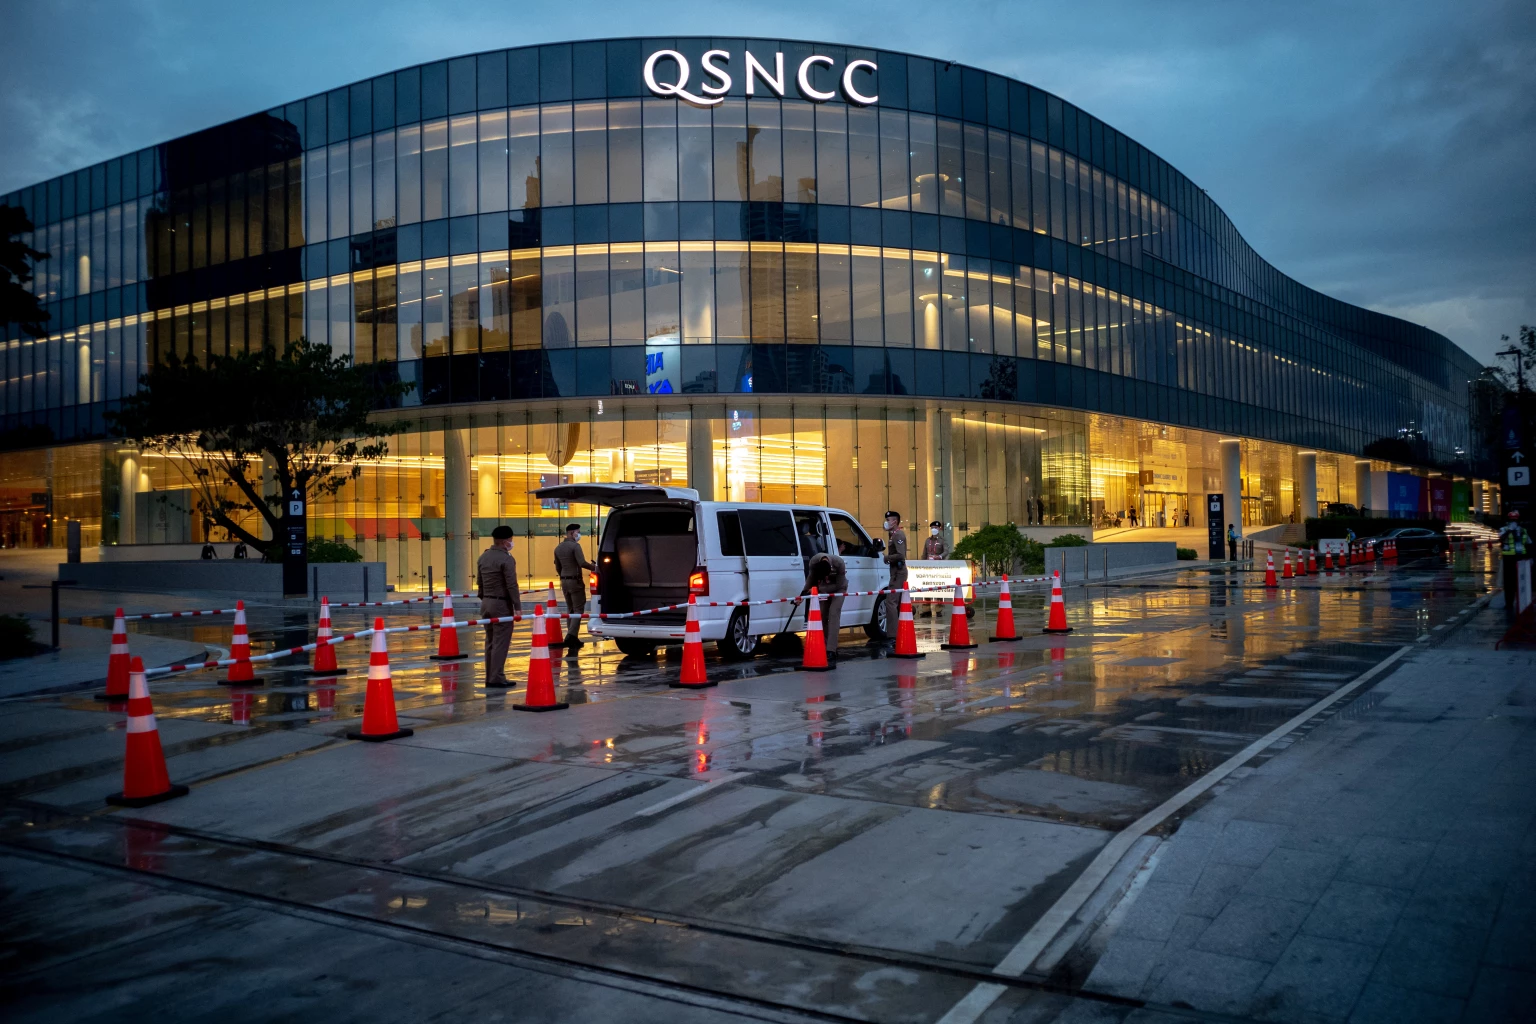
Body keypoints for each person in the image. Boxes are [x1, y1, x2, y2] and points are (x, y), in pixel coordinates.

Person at [476, 526, 521, 687]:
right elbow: (511, 585)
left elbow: (479, 583)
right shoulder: (506, 559)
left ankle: (490, 676)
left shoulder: (483, 557)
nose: (511, 542)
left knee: (490, 642)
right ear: (504, 541)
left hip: (486, 603)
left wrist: (485, 599)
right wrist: (517, 606)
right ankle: (497, 677)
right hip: (501, 604)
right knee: (501, 642)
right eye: (510, 540)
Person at [552, 522, 597, 651]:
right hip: (575, 581)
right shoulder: (575, 546)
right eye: (578, 532)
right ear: (571, 533)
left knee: (570, 609)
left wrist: (564, 576)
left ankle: (573, 636)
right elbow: (582, 562)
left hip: (564, 581)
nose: (579, 534)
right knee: (578, 609)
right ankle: (571, 636)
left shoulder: (558, 548)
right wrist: (595, 567)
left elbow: (558, 567)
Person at [805, 548, 848, 659]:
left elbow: (839, 585)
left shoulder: (839, 563)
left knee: (833, 614)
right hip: (823, 589)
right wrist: (802, 595)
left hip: (839, 589)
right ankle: (824, 646)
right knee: (822, 616)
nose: (826, 578)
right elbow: (810, 579)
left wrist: (820, 589)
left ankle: (831, 649)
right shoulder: (814, 562)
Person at [882, 510, 907, 639]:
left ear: (895, 521)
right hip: (895, 571)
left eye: (888, 520)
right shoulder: (893, 535)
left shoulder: (898, 535)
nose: (886, 523)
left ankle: (892, 635)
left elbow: (901, 555)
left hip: (899, 571)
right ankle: (898, 632)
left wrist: (887, 557)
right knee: (895, 601)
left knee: (890, 601)